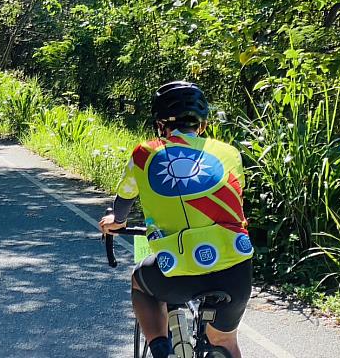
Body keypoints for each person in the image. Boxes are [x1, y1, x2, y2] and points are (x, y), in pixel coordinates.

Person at [98, 81, 252, 358]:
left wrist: (117, 221)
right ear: (202, 125)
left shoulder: (145, 154)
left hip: (175, 272)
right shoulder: (230, 153)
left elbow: (123, 204)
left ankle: (160, 348)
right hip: (236, 269)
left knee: (139, 282)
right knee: (225, 342)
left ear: (160, 125)